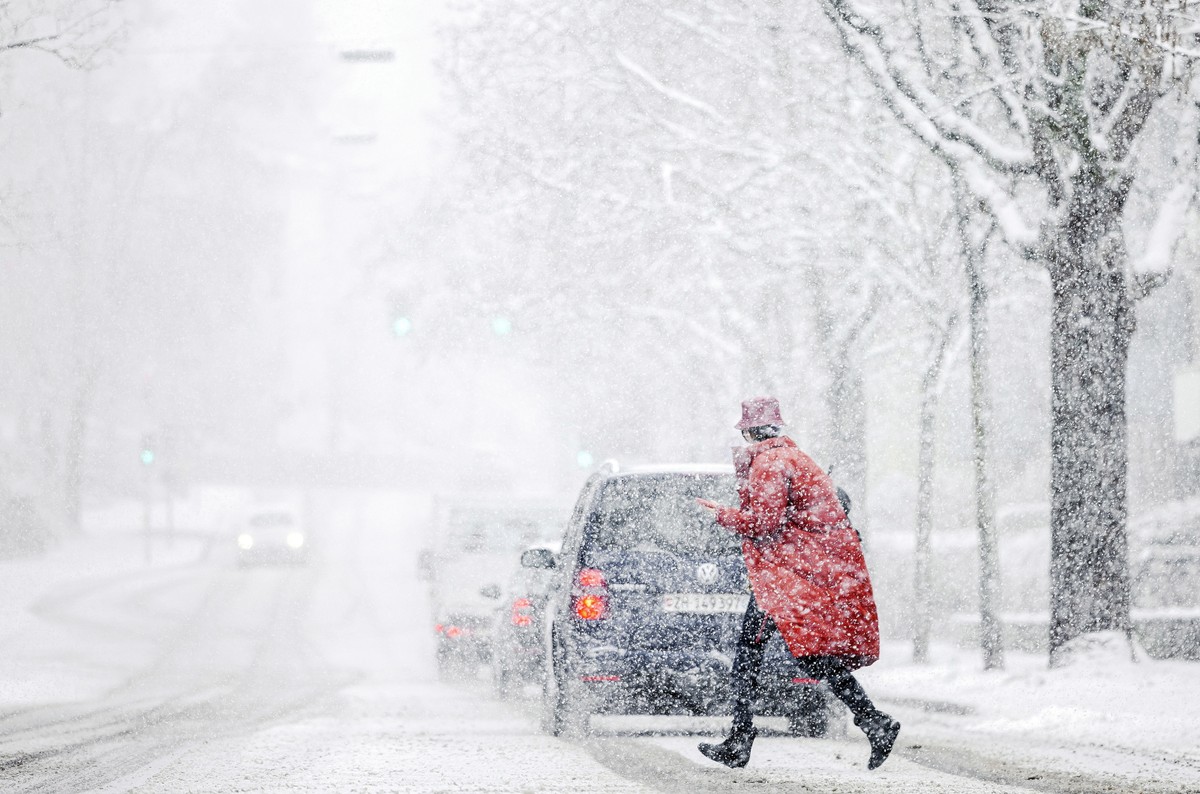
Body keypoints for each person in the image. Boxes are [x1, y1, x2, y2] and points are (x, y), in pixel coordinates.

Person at [695, 396, 900, 770]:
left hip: (786, 578)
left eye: (746, 433)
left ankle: (741, 739)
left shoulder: (770, 464)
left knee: (751, 656)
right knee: (812, 657)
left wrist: (722, 515)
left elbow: (765, 523)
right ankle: (873, 722)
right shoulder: (793, 457)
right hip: (798, 574)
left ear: (750, 432)